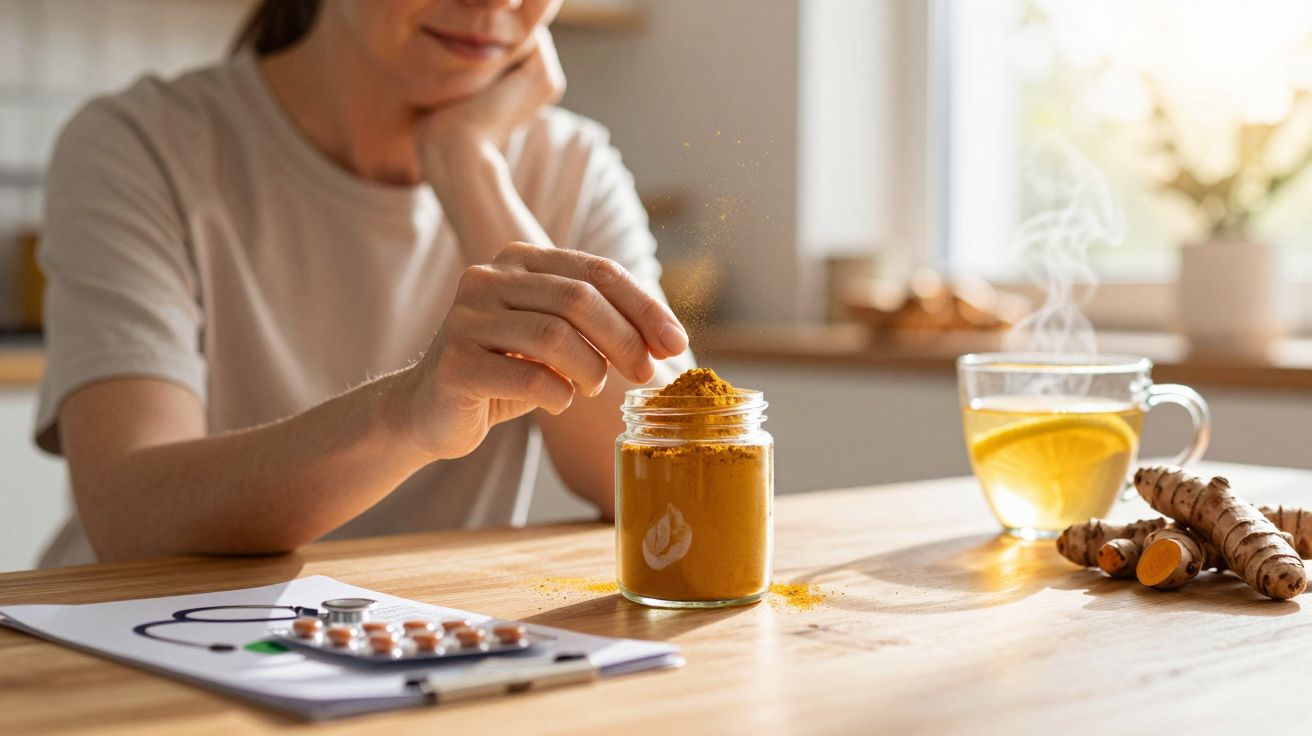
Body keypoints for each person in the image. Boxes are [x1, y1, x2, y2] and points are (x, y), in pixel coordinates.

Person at [34, 0, 692, 566]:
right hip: (137, 655)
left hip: (420, 655)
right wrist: (407, 414)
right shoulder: (138, 144)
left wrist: (467, 168)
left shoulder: (572, 166)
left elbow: (675, 482)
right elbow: (133, 513)